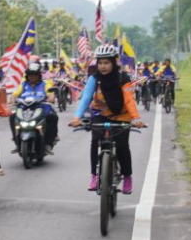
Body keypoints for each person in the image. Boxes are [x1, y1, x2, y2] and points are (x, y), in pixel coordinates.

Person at [70, 45, 146, 194]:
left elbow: (129, 100)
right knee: (95, 141)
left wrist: (136, 118)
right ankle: (94, 175)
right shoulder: (94, 79)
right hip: (100, 113)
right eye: (100, 63)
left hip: (121, 115)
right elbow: (86, 98)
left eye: (106, 63)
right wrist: (77, 117)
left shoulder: (123, 78)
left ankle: (127, 176)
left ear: (113, 63)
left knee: (122, 146)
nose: (103, 66)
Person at [9, 62, 59, 156]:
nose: (32, 77)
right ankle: (17, 142)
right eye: (30, 75)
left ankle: (48, 143)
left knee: (53, 117)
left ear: (39, 75)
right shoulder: (23, 84)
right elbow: (14, 94)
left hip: (41, 109)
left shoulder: (45, 84)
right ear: (27, 76)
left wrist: (51, 98)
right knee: (12, 117)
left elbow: (50, 94)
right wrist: (12, 100)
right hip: (24, 110)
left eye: (35, 74)